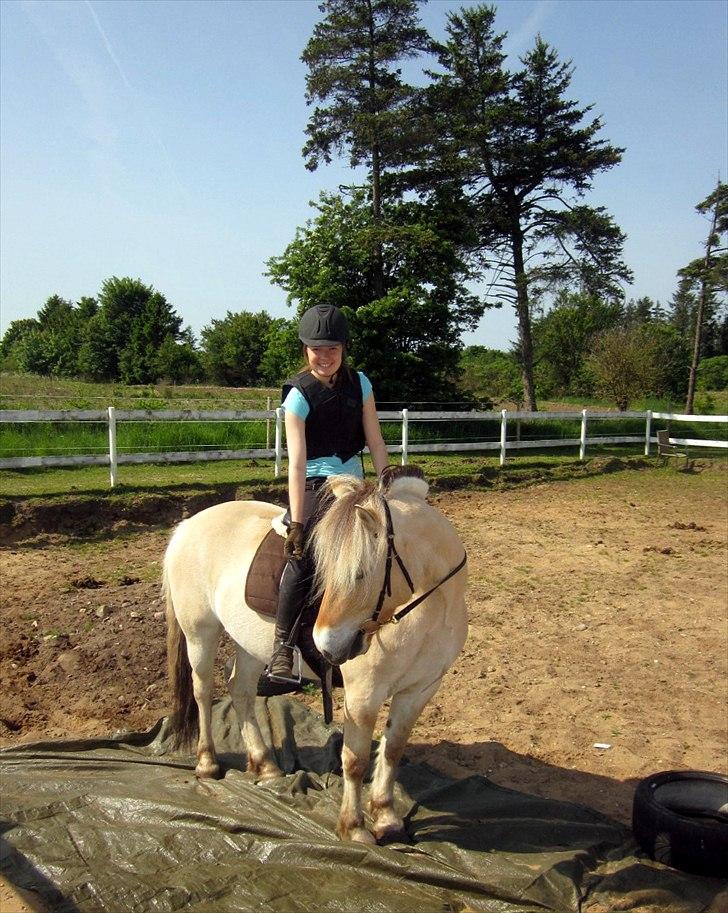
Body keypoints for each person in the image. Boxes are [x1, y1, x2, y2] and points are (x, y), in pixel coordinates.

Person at [266, 303, 390, 682]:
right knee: (304, 559)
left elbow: (375, 439)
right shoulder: (298, 397)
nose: (325, 357)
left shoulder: (361, 383)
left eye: (332, 349)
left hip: (355, 483)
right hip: (316, 484)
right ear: (306, 350)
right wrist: (299, 522)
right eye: (317, 349)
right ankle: (282, 650)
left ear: (343, 349)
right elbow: (298, 463)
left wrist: (388, 484)